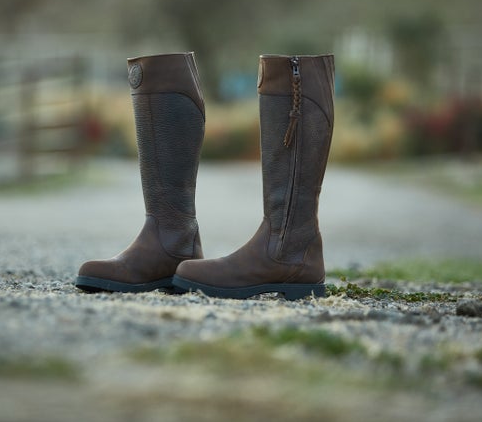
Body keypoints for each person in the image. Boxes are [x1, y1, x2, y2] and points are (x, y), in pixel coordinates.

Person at [75, 52, 334, 301]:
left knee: (288, 73)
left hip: (289, 252)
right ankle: (171, 239)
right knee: (157, 69)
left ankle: (289, 251)